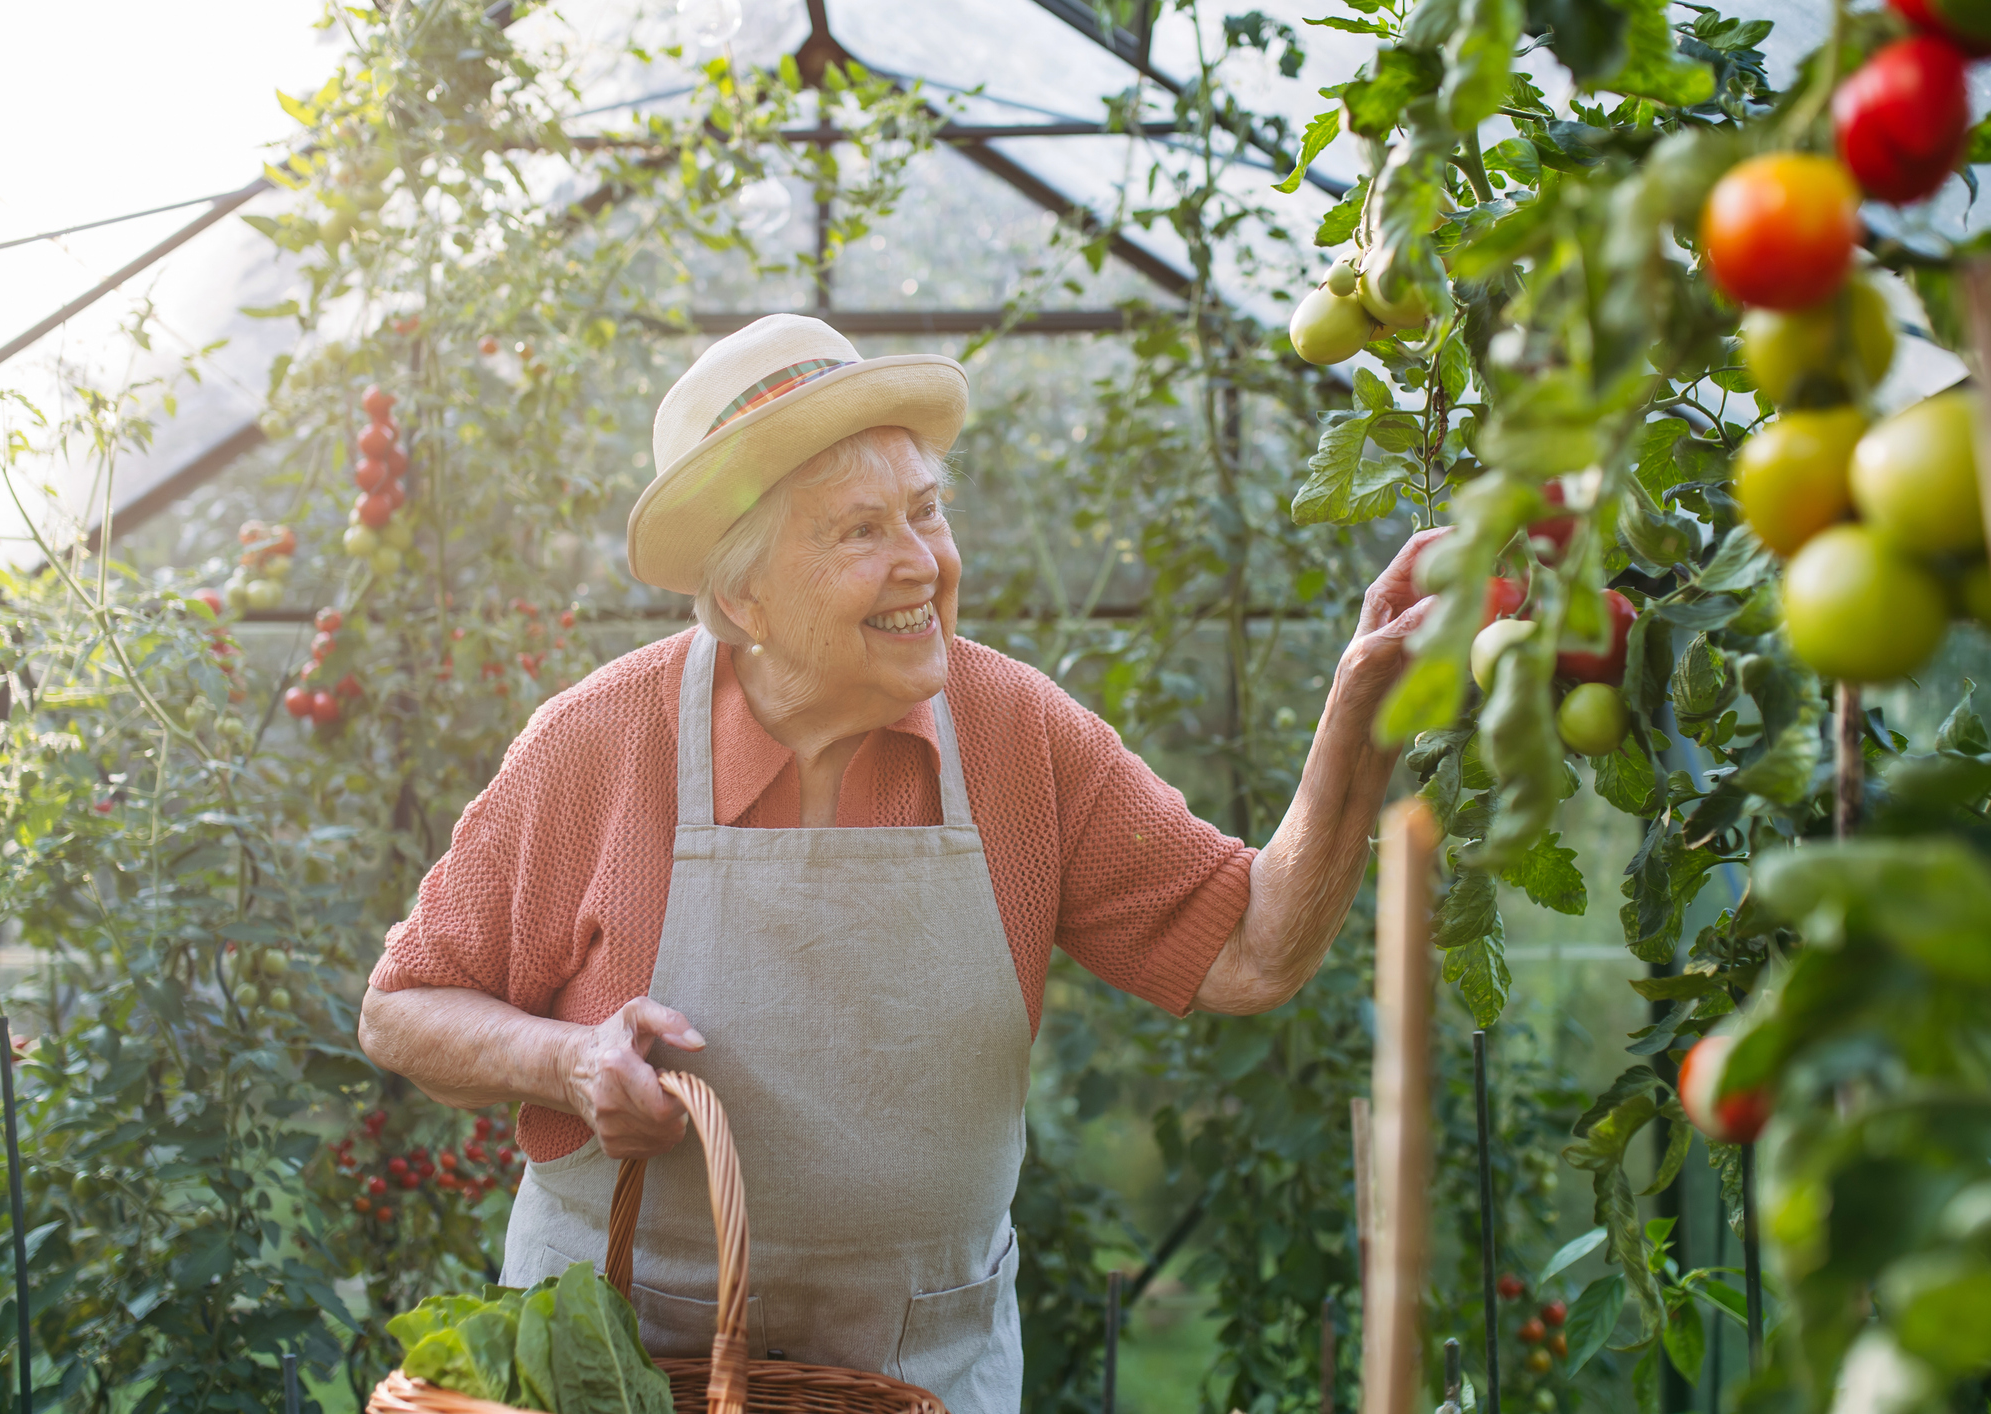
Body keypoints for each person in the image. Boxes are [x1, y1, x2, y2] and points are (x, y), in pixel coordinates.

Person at [358, 314, 1438, 1412]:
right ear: (745, 597)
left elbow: (1252, 949)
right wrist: (572, 1063)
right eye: (861, 530)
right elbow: (402, 1006)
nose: (923, 561)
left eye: (927, 512)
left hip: (921, 1367)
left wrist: (1361, 708)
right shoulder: (598, 743)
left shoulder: (1018, 734)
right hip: (621, 1362)